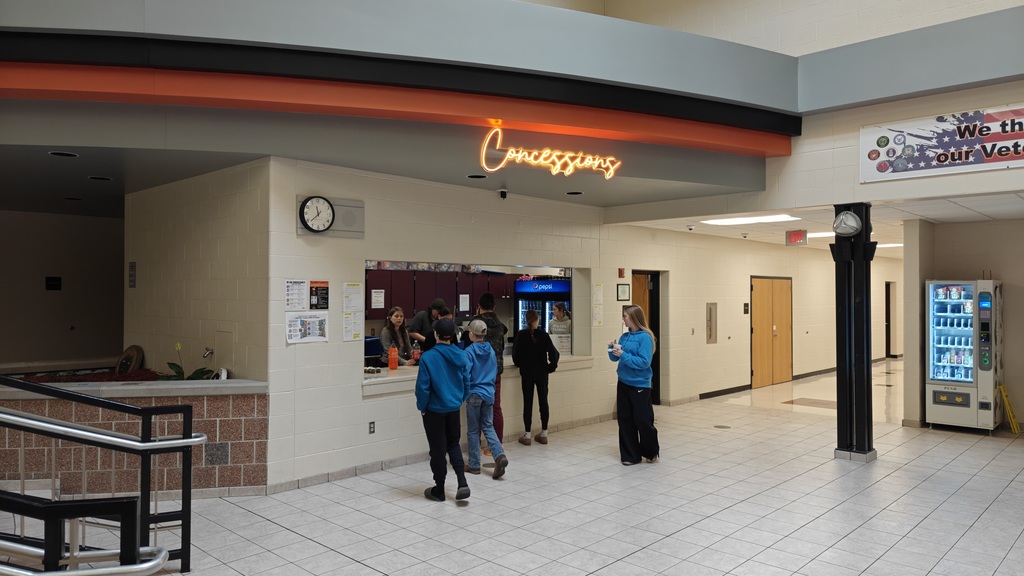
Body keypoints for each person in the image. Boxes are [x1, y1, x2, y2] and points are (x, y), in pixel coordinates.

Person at [415, 317, 472, 501]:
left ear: (435, 334)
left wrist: (422, 407)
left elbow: (423, 388)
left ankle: (439, 489)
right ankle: (462, 482)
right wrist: (458, 400)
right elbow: (466, 383)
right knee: (454, 444)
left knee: (438, 450)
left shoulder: (428, 357)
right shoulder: (461, 355)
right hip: (453, 408)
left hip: (434, 410)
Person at [608, 305, 659, 466]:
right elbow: (615, 359)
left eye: (625, 316)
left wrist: (624, 355)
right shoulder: (624, 337)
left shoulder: (645, 338)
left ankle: (651, 451)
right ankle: (630, 455)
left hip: (640, 385)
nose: (623, 319)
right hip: (623, 382)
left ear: (634, 317)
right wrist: (612, 350)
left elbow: (644, 363)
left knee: (642, 420)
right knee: (625, 420)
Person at [460, 319, 508, 479]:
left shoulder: (469, 351)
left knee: (473, 430)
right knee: (488, 426)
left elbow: (466, 374)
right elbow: (494, 371)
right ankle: (499, 455)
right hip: (489, 393)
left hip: (474, 393)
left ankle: (474, 465)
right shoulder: (491, 350)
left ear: (472, 334)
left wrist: (464, 393)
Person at [512, 309, 559, 445]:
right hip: (542, 373)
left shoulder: (521, 335)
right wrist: (551, 368)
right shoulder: (543, 335)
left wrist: (521, 364)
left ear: (526, 320)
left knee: (528, 403)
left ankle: (527, 435)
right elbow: (554, 354)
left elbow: (516, 357)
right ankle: (544, 433)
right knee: (543, 402)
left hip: (527, 373)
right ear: (537, 320)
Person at [469, 293, 508, 447]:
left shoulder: (475, 323)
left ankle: (476, 446)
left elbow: (467, 346)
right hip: (495, 371)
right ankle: (496, 445)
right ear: (494, 306)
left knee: (475, 410)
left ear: (479, 306)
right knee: (496, 408)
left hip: (477, 374)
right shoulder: (500, 325)